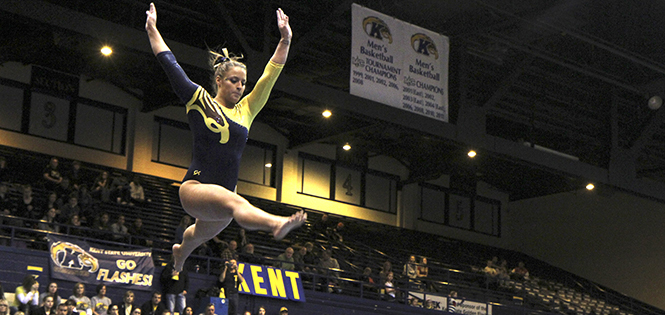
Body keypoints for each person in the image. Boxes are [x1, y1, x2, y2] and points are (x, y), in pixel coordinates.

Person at [145, 2, 306, 273]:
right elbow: (170, 64)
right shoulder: (199, 99)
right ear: (219, 80)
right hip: (195, 189)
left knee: (196, 236)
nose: (240, 87)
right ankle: (275, 223)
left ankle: (179, 254)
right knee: (235, 203)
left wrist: (286, 39)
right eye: (234, 81)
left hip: (221, 197)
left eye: (242, 82)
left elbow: (270, 75)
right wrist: (152, 29)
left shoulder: (247, 110)